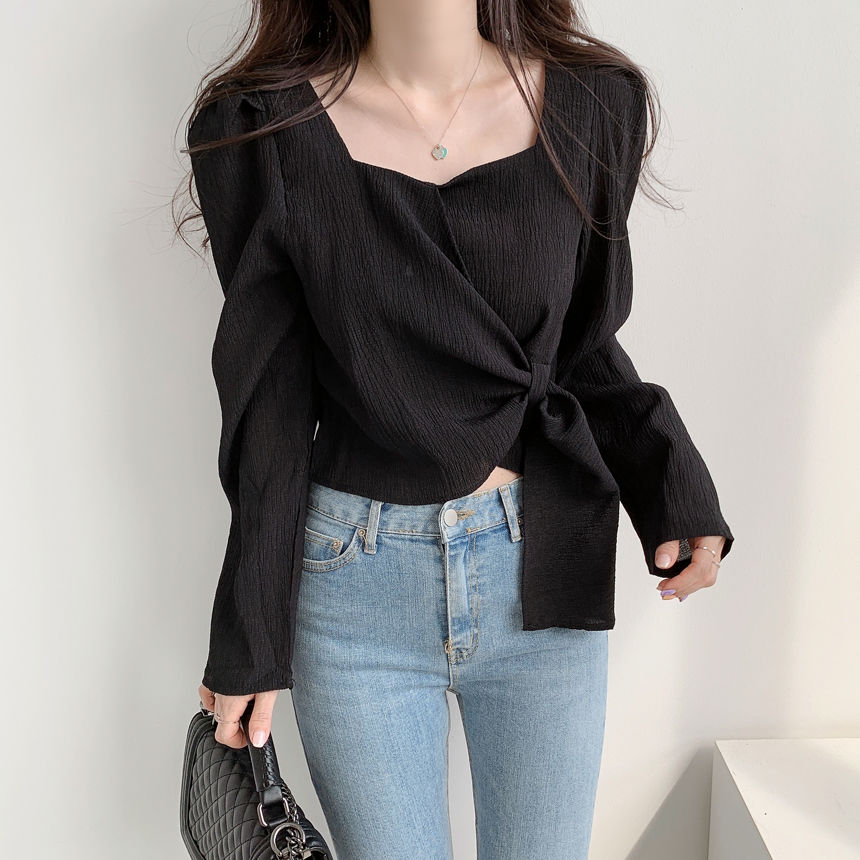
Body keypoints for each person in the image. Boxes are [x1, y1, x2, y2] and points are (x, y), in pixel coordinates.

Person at [180, 2, 734, 857]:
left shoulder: (592, 104)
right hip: (352, 583)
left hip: (541, 564)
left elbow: (579, 344)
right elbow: (270, 404)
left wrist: (669, 483)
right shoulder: (262, 129)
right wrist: (251, 634)